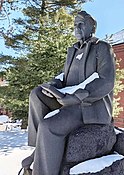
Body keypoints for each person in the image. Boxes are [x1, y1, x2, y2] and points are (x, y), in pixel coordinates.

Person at [20, 11, 115, 175]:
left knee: (49, 126)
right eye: (75, 25)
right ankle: (40, 150)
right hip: (67, 98)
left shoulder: (102, 48)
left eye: (81, 24)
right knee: (36, 95)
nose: (77, 28)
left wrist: (78, 96)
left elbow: (106, 80)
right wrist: (53, 85)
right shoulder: (73, 50)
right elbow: (63, 76)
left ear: (91, 27)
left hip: (88, 105)